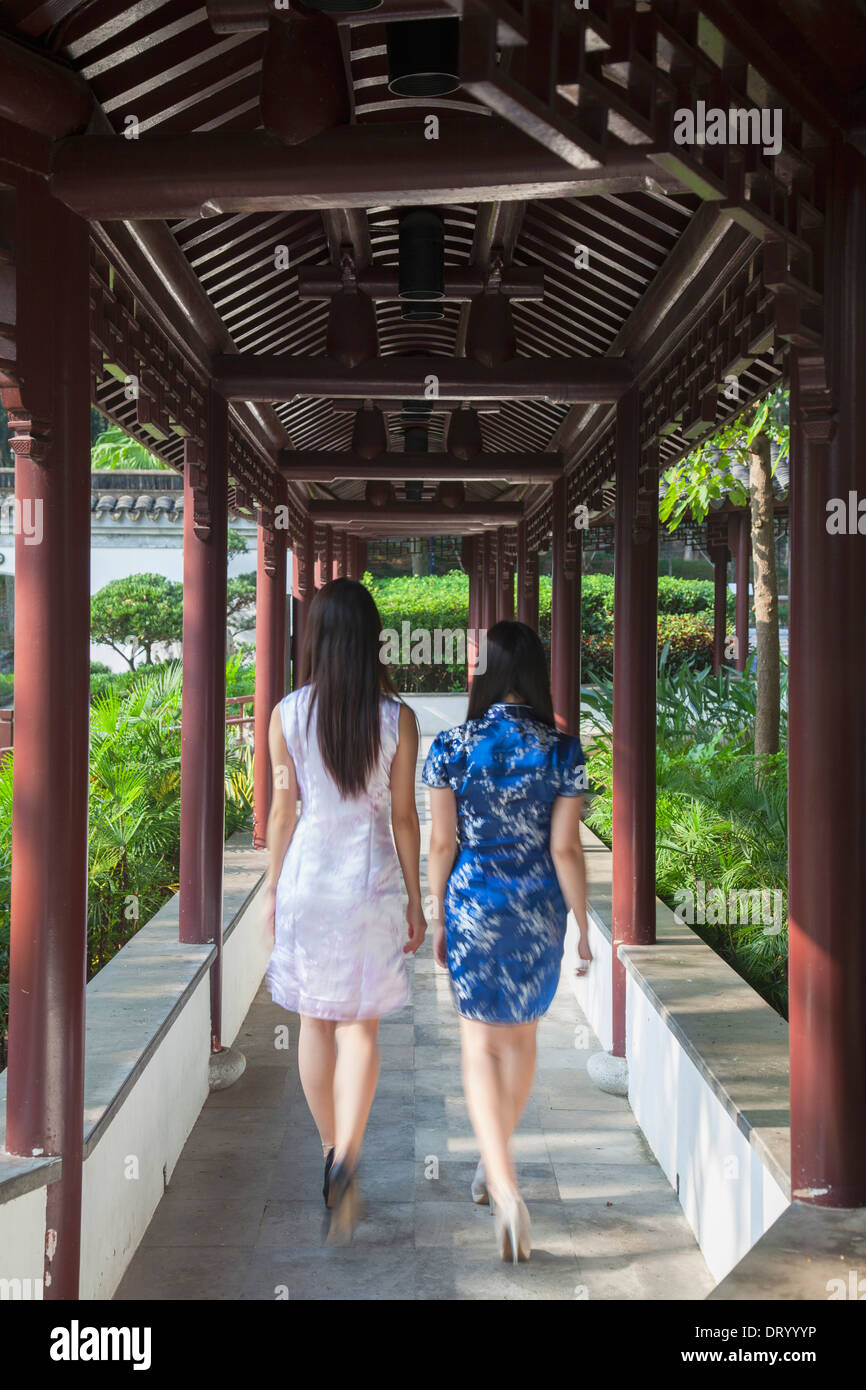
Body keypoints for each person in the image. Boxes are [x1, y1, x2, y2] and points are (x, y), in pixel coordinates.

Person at [261, 577, 427, 1243]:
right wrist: (417, 899)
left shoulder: (285, 715)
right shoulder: (398, 719)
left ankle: (330, 1151)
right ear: (371, 638)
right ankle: (351, 1151)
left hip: (308, 883)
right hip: (370, 887)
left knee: (315, 1023)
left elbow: (281, 807)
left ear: (316, 638)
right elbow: (406, 817)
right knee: (361, 1029)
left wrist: (275, 892)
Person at [422, 620, 592, 1263]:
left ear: (485, 673)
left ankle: (505, 1184)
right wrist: (580, 923)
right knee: (520, 1039)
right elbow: (566, 848)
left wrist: (438, 914)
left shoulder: (453, 746)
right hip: (538, 910)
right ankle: (495, 1165)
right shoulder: (562, 751)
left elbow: (442, 844)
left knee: (478, 1045)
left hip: (474, 906)